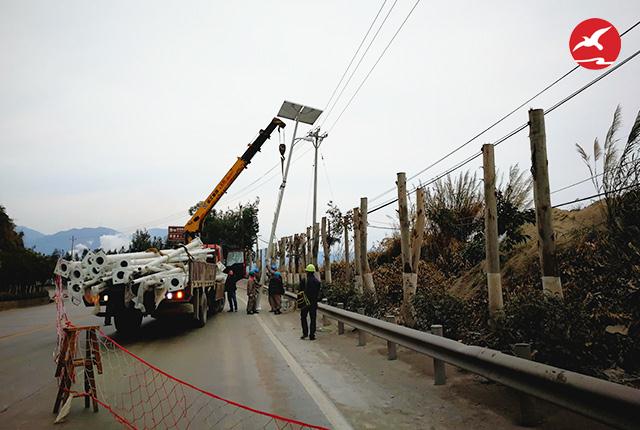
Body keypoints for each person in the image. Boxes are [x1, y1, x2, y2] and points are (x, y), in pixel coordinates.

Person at [299, 264, 321, 340]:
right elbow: (318, 294)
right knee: (313, 319)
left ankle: (305, 333)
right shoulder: (317, 282)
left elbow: (300, 292)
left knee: (303, 318)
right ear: (313, 272)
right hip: (313, 303)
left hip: (304, 303)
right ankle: (312, 334)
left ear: (307, 272)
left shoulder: (303, 281)